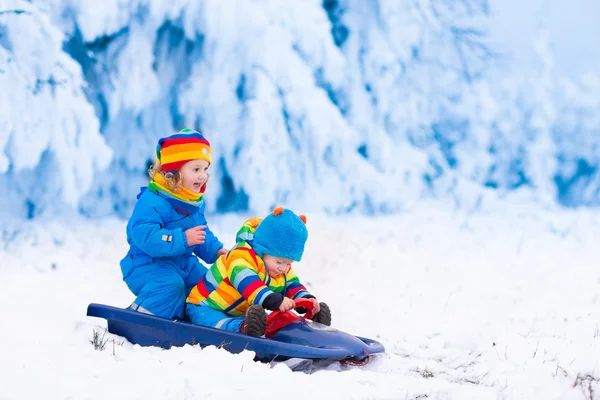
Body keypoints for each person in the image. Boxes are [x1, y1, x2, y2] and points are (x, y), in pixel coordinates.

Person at [120, 128, 228, 319]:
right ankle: (140, 318)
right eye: (196, 169)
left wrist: (216, 251)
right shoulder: (151, 201)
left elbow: (201, 233)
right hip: (146, 265)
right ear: (174, 173)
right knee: (170, 285)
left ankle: (204, 318)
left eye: (205, 169)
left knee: (209, 285)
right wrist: (183, 239)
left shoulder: (191, 200)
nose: (202, 176)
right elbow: (146, 236)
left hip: (182, 264)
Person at [186, 207, 331, 336]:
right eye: (279, 262)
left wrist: (305, 299)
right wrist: (271, 299)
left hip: (238, 312)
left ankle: (309, 323)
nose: (283, 268)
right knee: (214, 322)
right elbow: (246, 281)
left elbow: (291, 283)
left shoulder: (278, 267)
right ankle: (243, 328)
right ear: (262, 250)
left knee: (269, 319)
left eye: (288, 263)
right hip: (205, 306)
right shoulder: (240, 256)